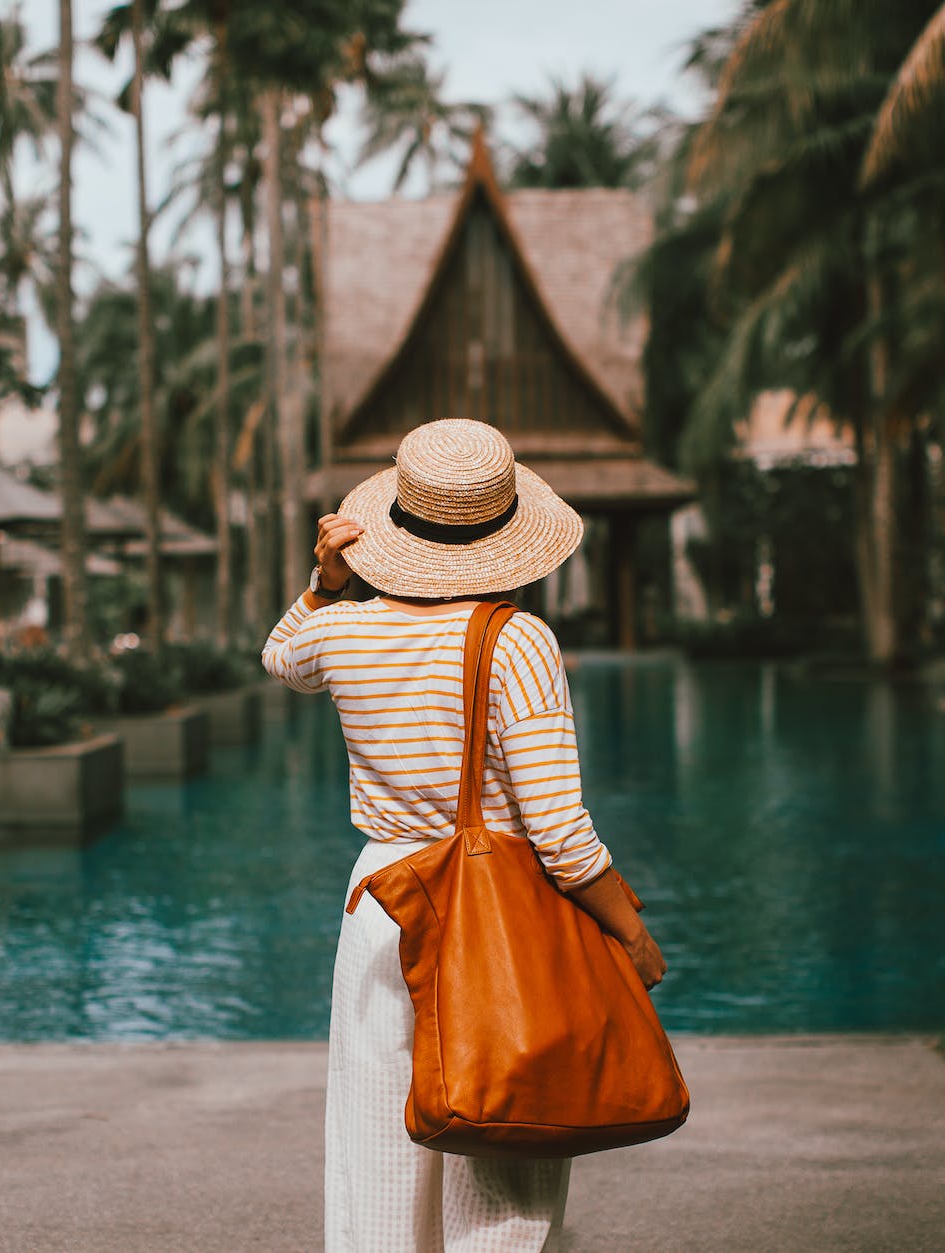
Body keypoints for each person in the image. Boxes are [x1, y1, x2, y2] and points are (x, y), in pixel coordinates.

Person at [262, 419, 666, 1253]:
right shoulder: (516, 641)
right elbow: (557, 829)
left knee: (378, 1140)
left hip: (381, 899)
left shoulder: (339, 631)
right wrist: (630, 929)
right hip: (493, 899)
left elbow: (280, 658)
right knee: (502, 1142)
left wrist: (324, 581)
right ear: (506, 531)